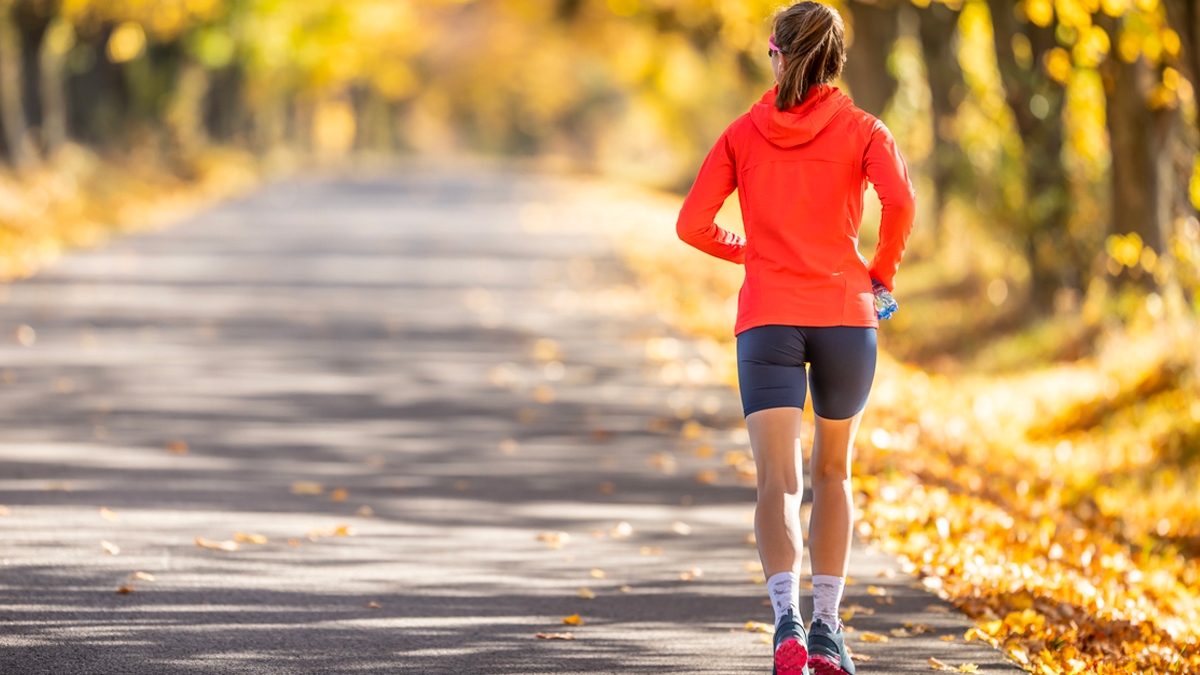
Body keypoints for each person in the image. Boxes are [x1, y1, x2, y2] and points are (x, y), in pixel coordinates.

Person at [674, 3, 916, 674]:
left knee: (777, 482)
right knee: (833, 473)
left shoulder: (740, 135)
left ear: (776, 55)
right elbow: (901, 201)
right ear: (834, 61)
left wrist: (751, 251)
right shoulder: (866, 130)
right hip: (845, 313)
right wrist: (880, 273)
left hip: (768, 319)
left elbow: (693, 224)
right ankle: (828, 629)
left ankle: (785, 622)